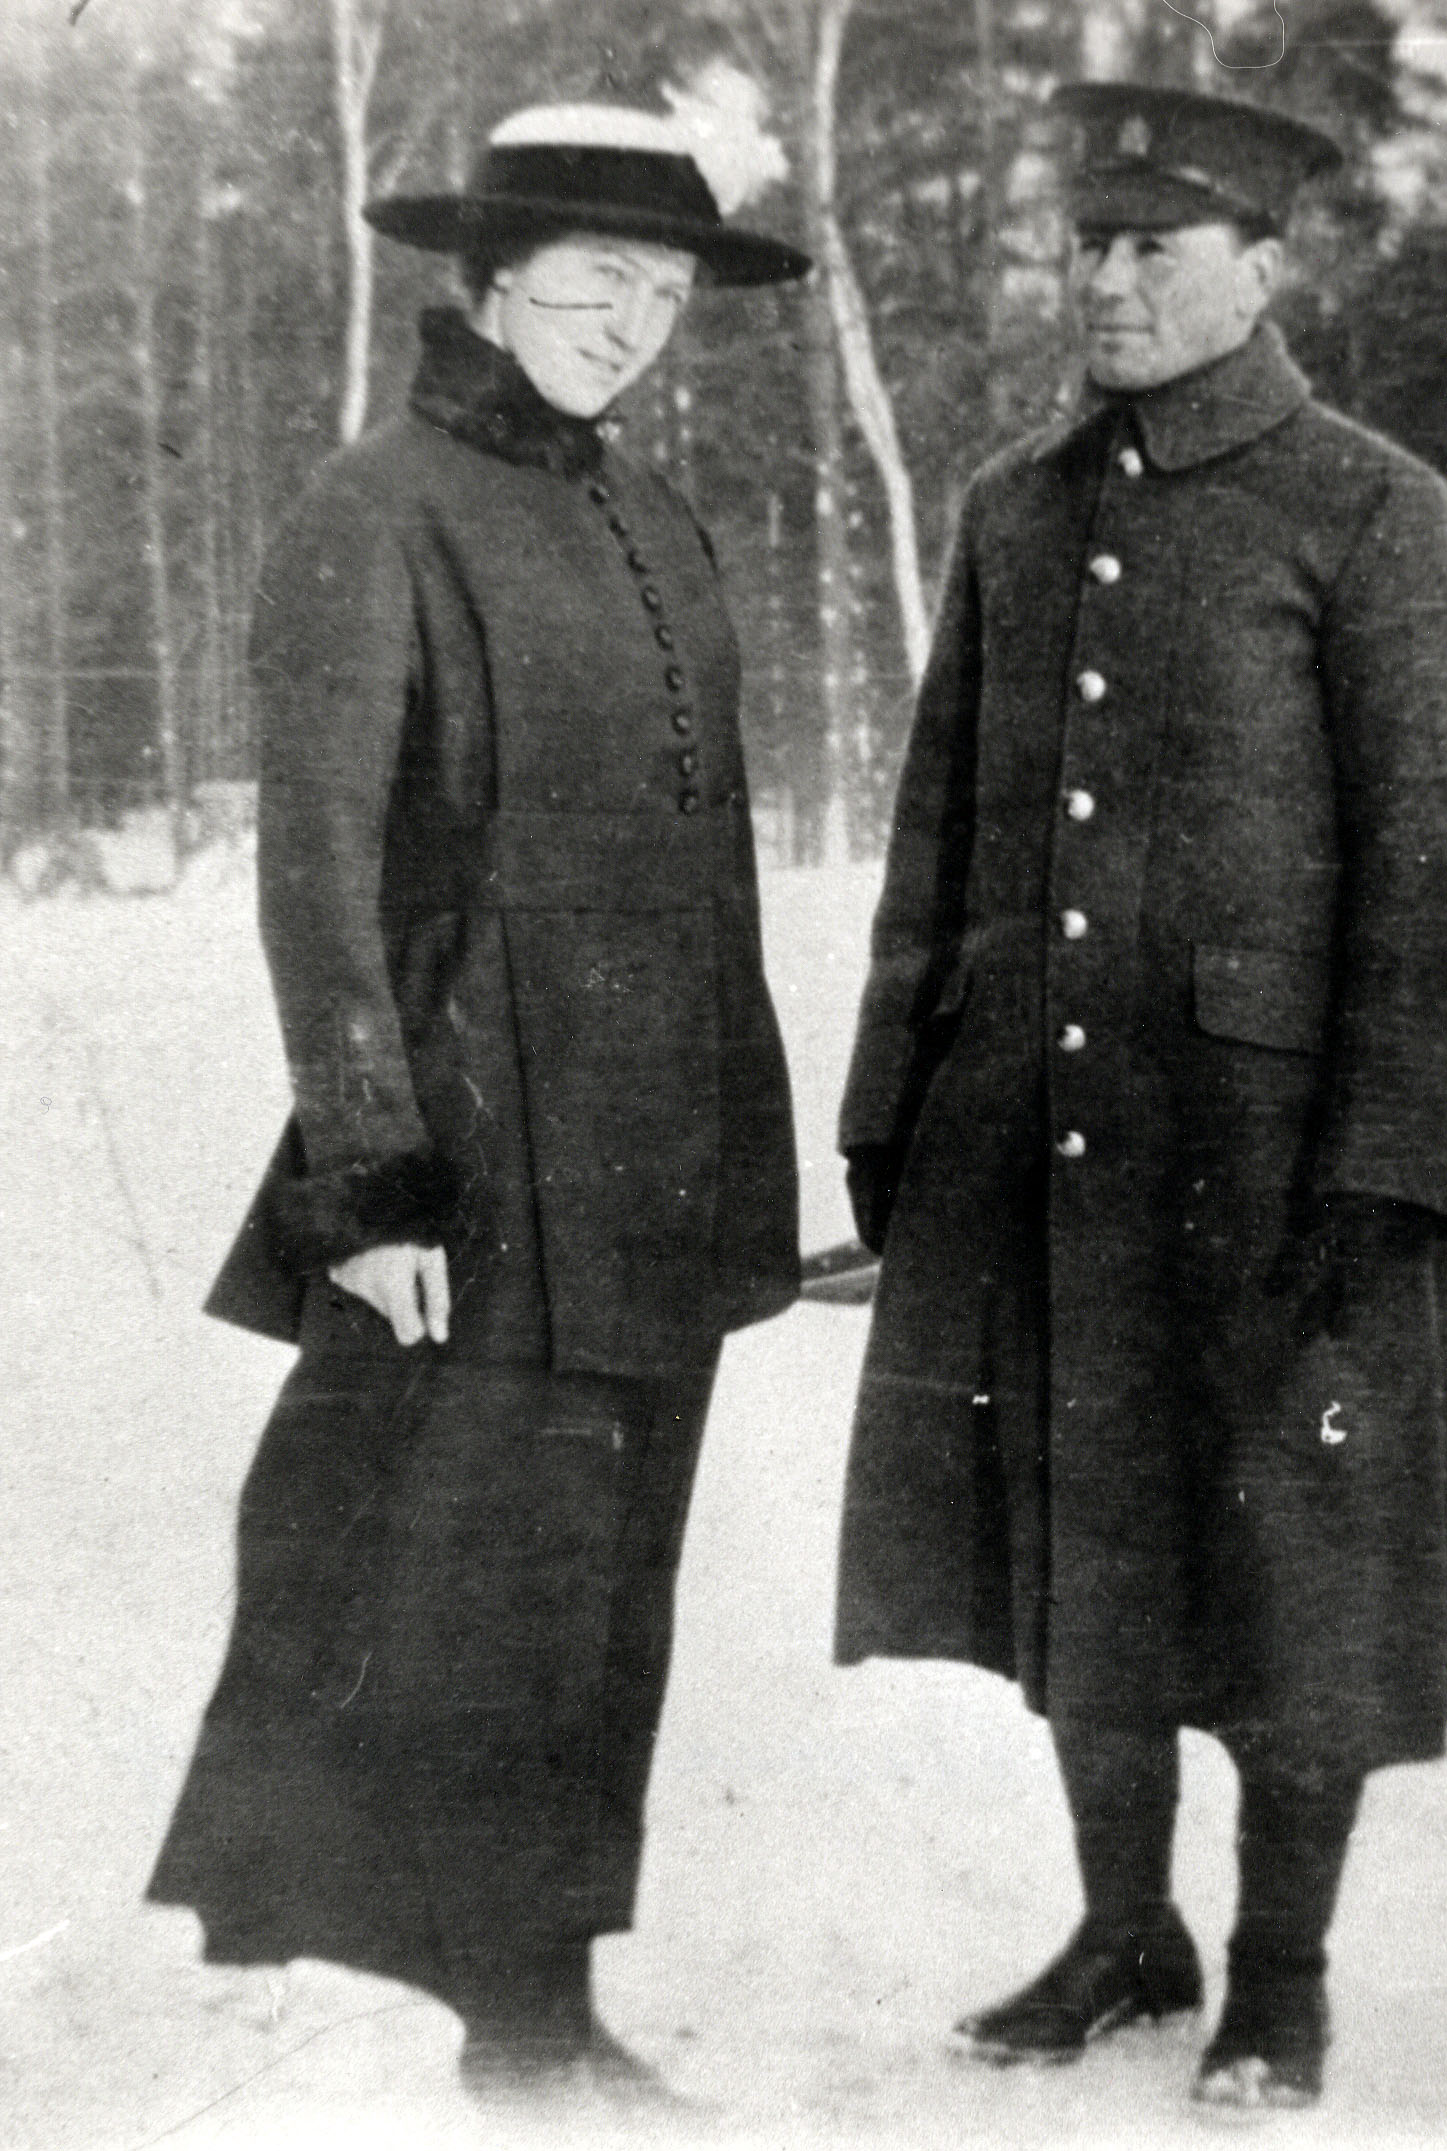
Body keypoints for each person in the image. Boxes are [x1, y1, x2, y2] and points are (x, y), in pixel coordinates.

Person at [834, 85, 1447, 2111]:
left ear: (1266, 264)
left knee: (1294, 1567)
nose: (1114, 280)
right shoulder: (1010, 506)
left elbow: (1440, 865)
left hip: (1278, 1168)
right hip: (1039, 1152)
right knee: (1082, 1551)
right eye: (1093, 243)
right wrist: (893, 1103)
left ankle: (1279, 1970)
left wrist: (1393, 1162)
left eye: (1161, 245)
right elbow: (935, 838)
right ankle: (1123, 1926)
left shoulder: (1373, 510)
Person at [147, 102, 809, 2099]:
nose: (627, 327)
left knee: (606, 1596)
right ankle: (491, 2022)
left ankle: (544, 2001)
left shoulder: (651, 514)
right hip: (477, 1171)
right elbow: (319, 879)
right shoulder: (378, 507)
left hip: (657, 1175)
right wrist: (373, 1181)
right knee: (454, 1593)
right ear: (492, 279)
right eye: (593, 283)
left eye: (664, 295)